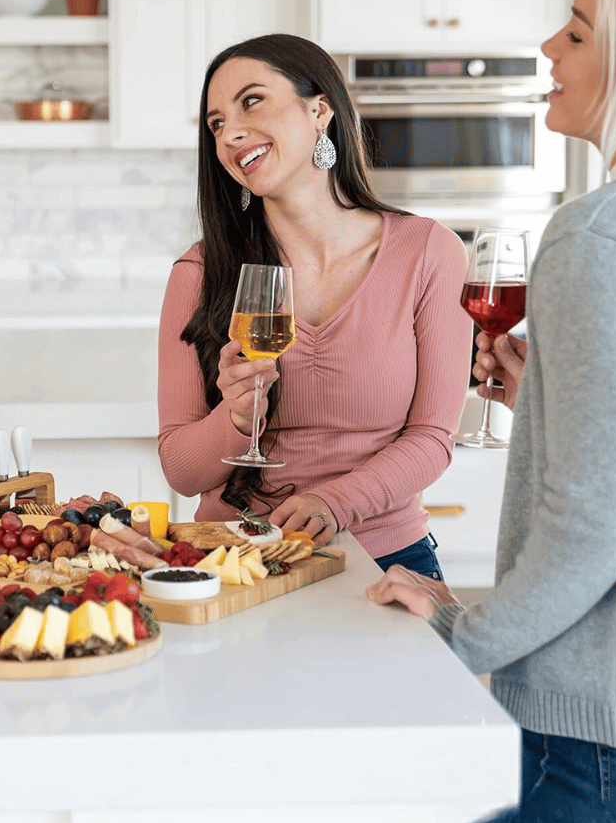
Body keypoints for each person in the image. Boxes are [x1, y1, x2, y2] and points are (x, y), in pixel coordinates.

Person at [367, 0, 616, 823]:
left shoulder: (600, 236)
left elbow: (599, 517)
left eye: (578, 33)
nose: (549, 47)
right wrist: (553, 392)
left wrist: (464, 632)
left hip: (603, 746)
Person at [157, 33, 471, 574]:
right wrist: (235, 416)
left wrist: (336, 501)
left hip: (385, 558)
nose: (230, 132)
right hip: (237, 561)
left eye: (251, 101)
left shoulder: (428, 252)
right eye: (215, 123)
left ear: (319, 109)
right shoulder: (200, 273)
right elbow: (182, 472)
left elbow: (433, 439)